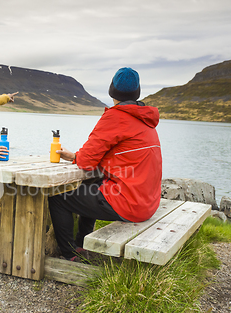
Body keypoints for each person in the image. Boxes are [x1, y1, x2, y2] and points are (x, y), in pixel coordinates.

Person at [48, 67, 162, 261]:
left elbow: (85, 162)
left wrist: (77, 157)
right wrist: (76, 156)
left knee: (58, 197)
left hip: (129, 204)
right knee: (92, 185)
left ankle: (69, 255)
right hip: (148, 202)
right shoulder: (145, 119)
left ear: (112, 91)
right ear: (137, 92)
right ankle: (82, 244)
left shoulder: (116, 116)